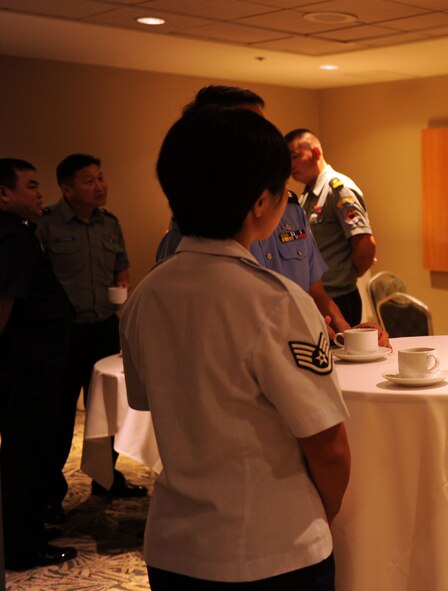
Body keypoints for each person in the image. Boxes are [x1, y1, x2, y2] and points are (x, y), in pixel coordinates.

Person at [122, 105, 350, 589]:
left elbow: (146, 402)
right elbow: (328, 447)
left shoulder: (146, 293)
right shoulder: (275, 299)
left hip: (175, 545)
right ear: (261, 202)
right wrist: (320, 519)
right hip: (273, 548)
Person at [156, 86, 387, 347]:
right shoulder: (192, 233)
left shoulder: (288, 208)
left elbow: (317, 292)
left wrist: (351, 336)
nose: (263, 141)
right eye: (248, 131)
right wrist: (295, 335)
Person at [36, 154, 146, 521]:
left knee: (107, 410)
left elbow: (122, 266)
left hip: (104, 329)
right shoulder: (46, 225)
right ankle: (50, 495)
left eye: (101, 178)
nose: (100, 186)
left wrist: (123, 286)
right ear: (67, 189)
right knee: (59, 417)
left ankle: (106, 477)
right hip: (64, 333)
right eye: (89, 181)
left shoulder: (109, 224)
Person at [0, 158, 77, 569]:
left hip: (32, 363)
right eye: (30, 185)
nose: (39, 192)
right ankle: (23, 546)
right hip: (29, 366)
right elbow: (5, 303)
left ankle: (24, 530)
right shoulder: (13, 237)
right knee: (26, 454)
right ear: (4, 194)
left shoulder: (19, 232)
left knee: (28, 451)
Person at [286, 129, 376, 326]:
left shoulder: (338, 188)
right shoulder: (306, 195)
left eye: (295, 156)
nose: (291, 165)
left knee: (346, 354)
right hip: (317, 296)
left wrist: (347, 274)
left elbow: (365, 246)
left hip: (339, 296)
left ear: (316, 152)